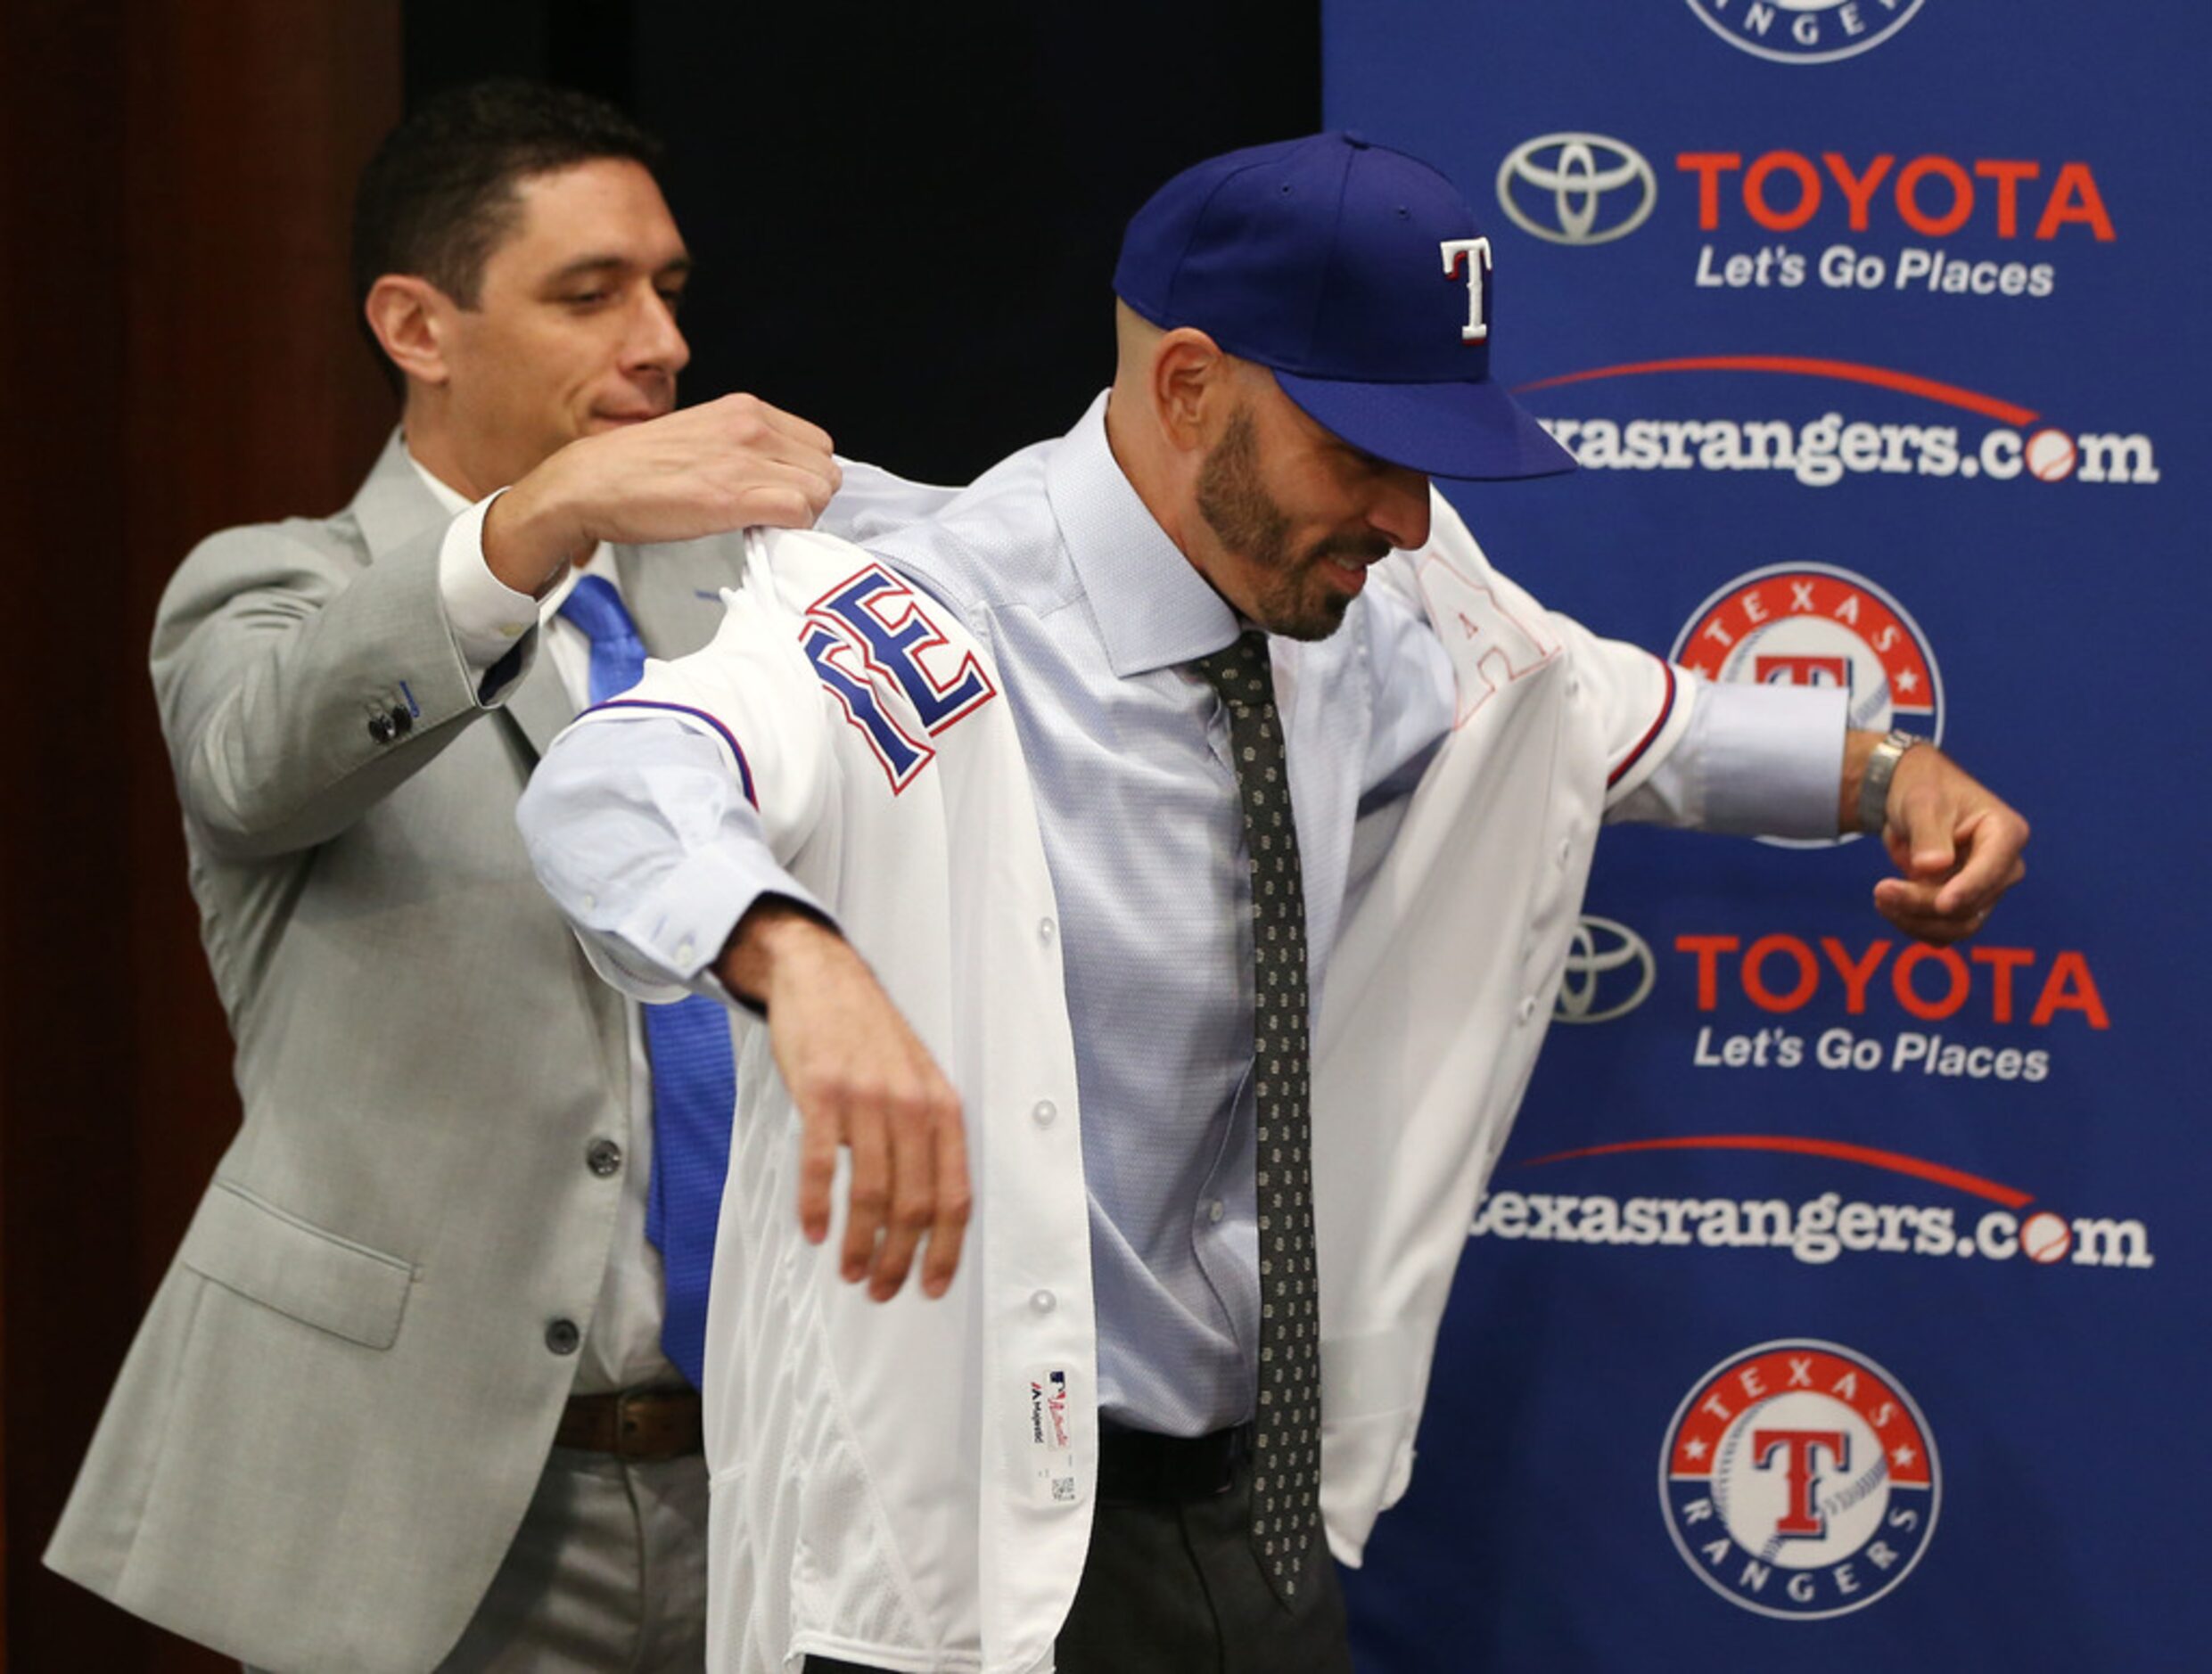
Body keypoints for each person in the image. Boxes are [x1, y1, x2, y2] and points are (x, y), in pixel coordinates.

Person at [515, 134, 2028, 1673]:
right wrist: (796, 955)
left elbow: (1595, 711)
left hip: (1253, 1516)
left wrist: (1879, 771)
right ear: (1187, 388)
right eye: (1359, 454)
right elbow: (616, 779)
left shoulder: (1358, 609)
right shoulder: (923, 619)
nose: (1407, 518)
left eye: (1426, 462)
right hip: (976, 1546)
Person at [45, 81, 948, 1673]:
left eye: (668, 288)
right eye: (589, 294)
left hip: (766, 1474)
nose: (659, 342)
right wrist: (547, 516)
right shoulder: (273, 588)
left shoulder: (750, 618)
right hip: (431, 1507)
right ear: (418, 324)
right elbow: (262, 757)